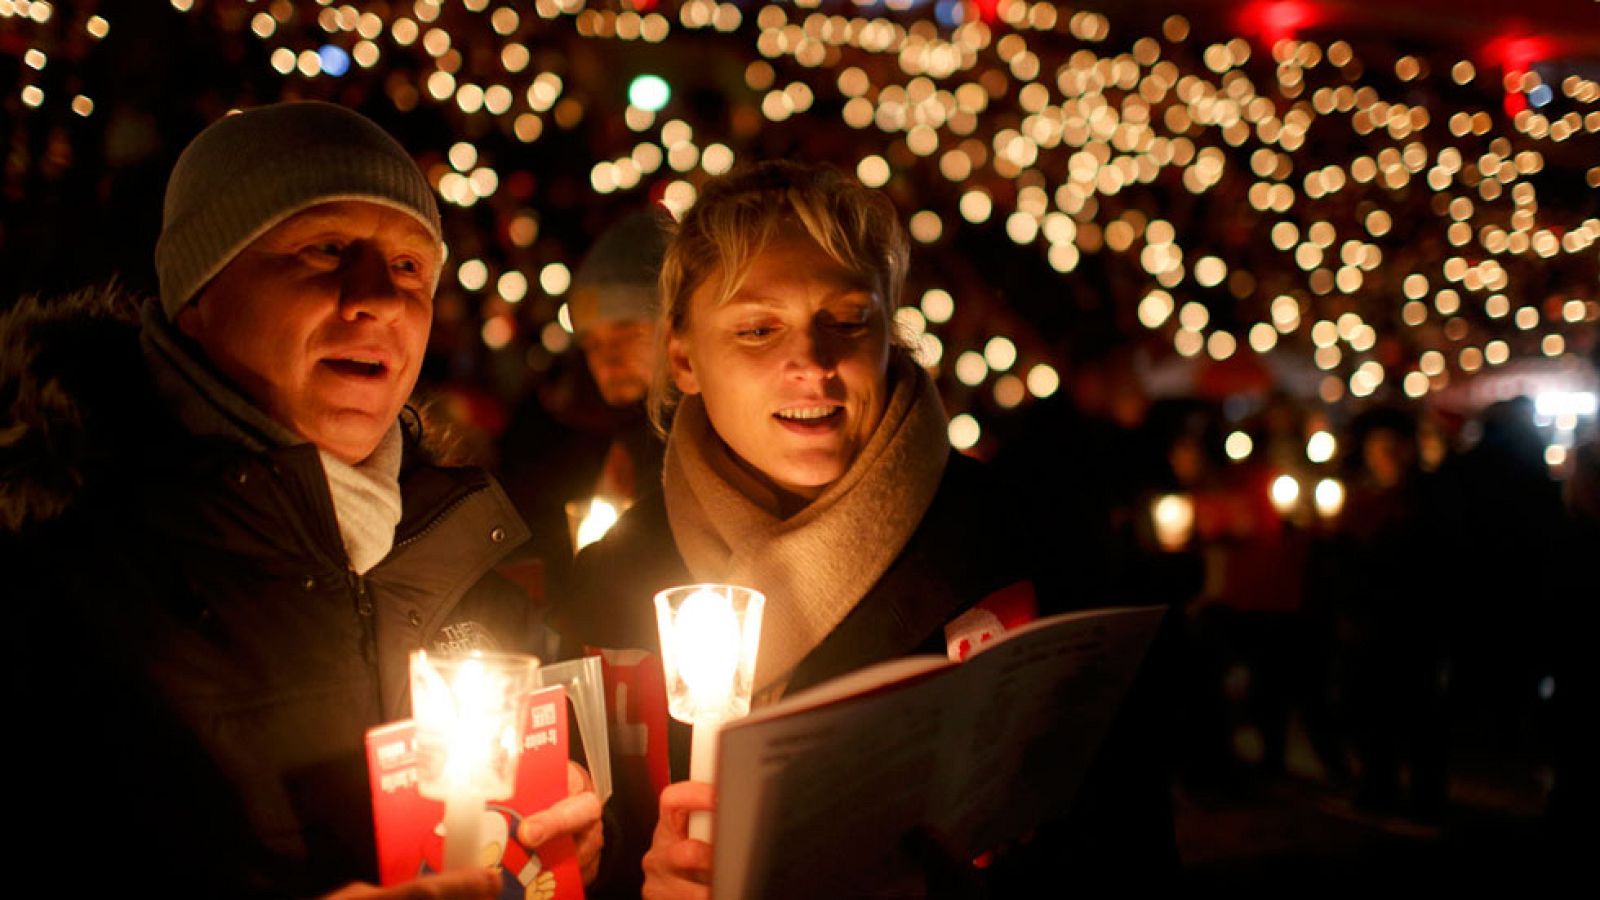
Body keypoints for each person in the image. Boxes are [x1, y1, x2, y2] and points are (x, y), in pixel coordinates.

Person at [0, 101, 598, 898]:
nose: (378, 298)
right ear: (199, 293)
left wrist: (583, 843)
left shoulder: (464, 562)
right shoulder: (56, 572)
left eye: (412, 266)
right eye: (325, 250)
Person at [551, 161, 1176, 898]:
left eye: (848, 320)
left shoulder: (1025, 546)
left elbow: (1126, 846)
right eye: (757, 329)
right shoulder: (612, 583)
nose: (813, 364)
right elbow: (577, 848)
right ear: (683, 357)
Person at [498, 211, 669, 592]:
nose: (607, 358)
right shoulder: (558, 438)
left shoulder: (694, 445)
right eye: (592, 344)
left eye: (628, 332)